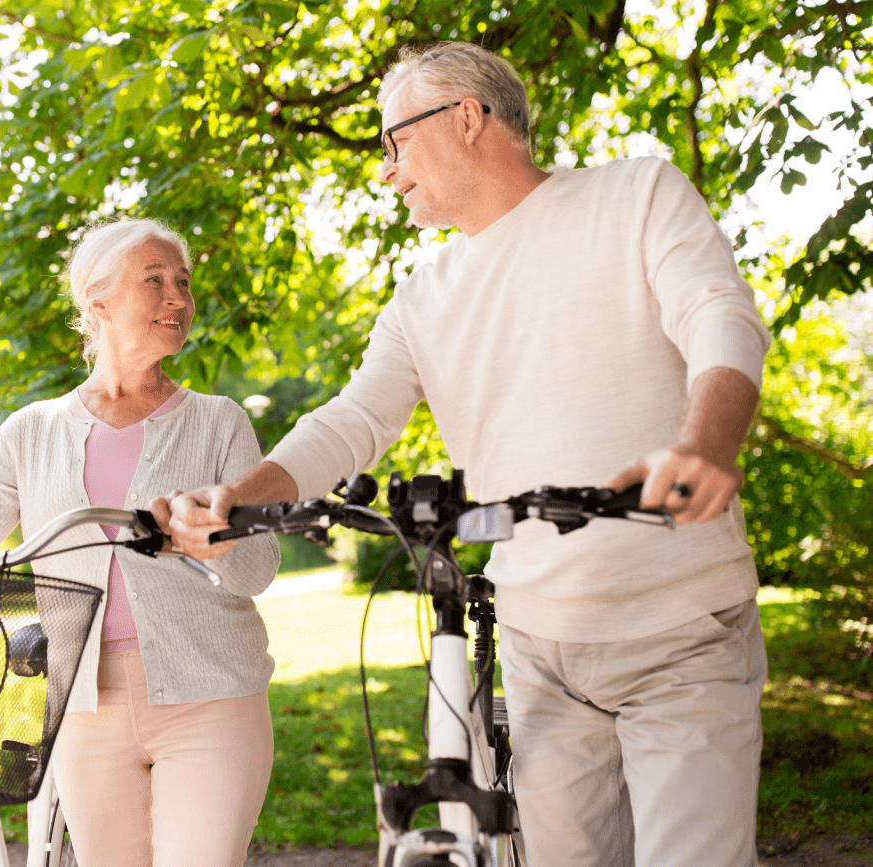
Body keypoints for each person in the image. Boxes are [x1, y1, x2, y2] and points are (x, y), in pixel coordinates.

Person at [160, 42, 771, 867]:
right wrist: (241, 495)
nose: (387, 171)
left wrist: (705, 445)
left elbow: (719, 316)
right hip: (536, 645)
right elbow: (352, 420)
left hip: (680, 622)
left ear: (467, 117)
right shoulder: (423, 298)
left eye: (395, 142)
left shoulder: (635, 194)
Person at [0, 219, 280, 867]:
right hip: (85, 713)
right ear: (99, 300)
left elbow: (258, 569)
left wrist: (214, 535)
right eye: (155, 281)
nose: (178, 298)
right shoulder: (32, 432)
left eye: (184, 283)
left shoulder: (217, 422)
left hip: (211, 699)